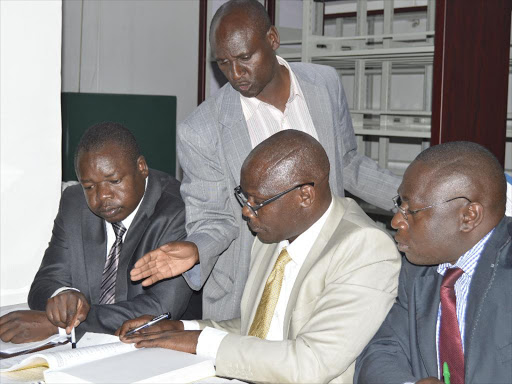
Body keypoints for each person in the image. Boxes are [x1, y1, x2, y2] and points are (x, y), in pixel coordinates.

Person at [129, 0, 401, 321]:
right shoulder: (201, 130)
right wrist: (196, 249)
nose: (236, 74)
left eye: (245, 58)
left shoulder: (324, 83)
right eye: (224, 63)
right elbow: (216, 219)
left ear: (272, 39)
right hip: (255, 281)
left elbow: (346, 163)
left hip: (331, 261)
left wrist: (412, 202)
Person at [118, 130, 401, 383]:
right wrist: (179, 327)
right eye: (244, 197)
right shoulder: (272, 233)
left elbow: (311, 363)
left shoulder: (365, 248)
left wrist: (199, 342)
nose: (246, 211)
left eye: (258, 202)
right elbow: (258, 329)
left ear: (304, 195)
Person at [0, 122, 199, 343]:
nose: (102, 196)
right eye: (89, 187)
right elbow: (45, 283)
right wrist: (63, 297)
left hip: (163, 350)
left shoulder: (178, 210)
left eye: (114, 181)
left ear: (141, 167)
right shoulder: (74, 203)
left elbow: (161, 308)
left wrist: (61, 326)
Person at [354, 141, 512, 384]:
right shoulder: (417, 268)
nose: (396, 221)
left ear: (468, 216)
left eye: (411, 211)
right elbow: (381, 351)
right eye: (399, 204)